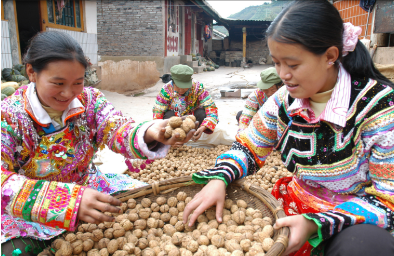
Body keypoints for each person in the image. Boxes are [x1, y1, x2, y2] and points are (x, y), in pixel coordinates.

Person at [182, 1, 394, 255]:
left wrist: (315, 224)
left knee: (364, 247)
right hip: (294, 206)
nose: (283, 74)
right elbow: (249, 147)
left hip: (354, 220)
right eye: (276, 63)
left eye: (292, 65)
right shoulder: (284, 100)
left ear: (330, 56)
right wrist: (220, 177)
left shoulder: (380, 108)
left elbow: (387, 199)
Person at [1, 31, 197, 254]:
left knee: (148, 200)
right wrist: (66, 203)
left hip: (89, 187)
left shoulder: (89, 100)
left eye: (78, 82)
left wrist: (150, 131)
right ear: (31, 73)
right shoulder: (9, 117)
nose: (68, 93)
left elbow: (115, 126)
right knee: (15, 251)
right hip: (33, 208)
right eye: (58, 83)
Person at [153, 64, 218, 142]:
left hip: (193, 121)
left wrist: (204, 127)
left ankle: (197, 135)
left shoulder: (198, 87)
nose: (181, 90)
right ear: (172, 82)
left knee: (201, 114)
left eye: (184, 87)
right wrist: (163, 136)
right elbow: (157, 113)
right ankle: (173, 139)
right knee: (168, 116)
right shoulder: (165, 90)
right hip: (174, 121)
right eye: (178, 86)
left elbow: (211, 108)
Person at [236, 67, 283, 132]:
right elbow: (246, 116)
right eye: (266, 90)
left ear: (281, 85)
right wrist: (241, 133)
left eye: (272, 90)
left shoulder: (287, 94)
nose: (269, 94)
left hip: (280, 123)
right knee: (240, 114)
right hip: (262, 123)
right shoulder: (256, 95)